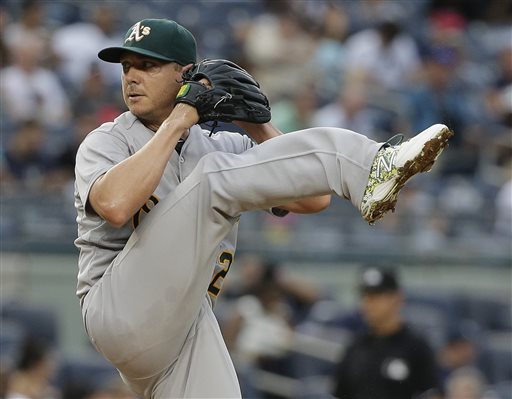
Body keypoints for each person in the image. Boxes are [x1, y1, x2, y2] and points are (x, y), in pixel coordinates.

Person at [74, 18, 452, 398]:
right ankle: (372, 165)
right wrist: (180, 118)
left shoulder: (220, 145)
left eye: (148, 65)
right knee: (210, 179)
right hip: (117, 308)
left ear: (185, 75)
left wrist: (256, 125)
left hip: (183, 326)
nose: (132, 77)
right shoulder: (108, 140)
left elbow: (311, 198)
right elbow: (115, 205)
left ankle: (369, 170)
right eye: (126, 67)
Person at [332, 265, 442, 399]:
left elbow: (433, 394)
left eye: (375, 297)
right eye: (364, 296)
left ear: (397, 298)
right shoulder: (354, 348)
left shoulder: (416, 347)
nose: (368, 304)